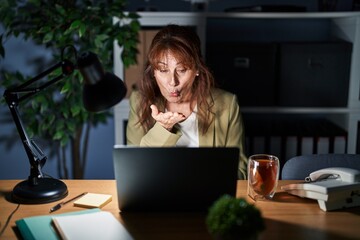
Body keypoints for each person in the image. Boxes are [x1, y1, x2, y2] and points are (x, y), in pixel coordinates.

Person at [126, 24, 248, 179]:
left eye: (182, 70)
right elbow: (135, 171)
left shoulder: (227, 104)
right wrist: (163, 128)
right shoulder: (139, 102)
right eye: (163, 71)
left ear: (197, 69)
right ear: (154, 72)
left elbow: (241, 174)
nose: (172, 82)